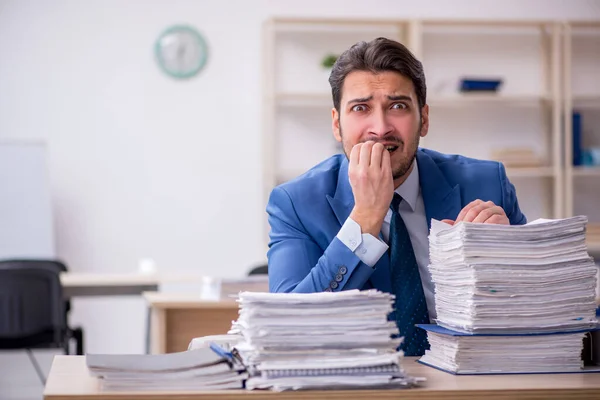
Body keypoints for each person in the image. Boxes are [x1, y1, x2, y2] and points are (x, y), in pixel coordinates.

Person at [265, 37, 527, 356]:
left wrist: (505, 258)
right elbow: (290, 327)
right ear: (337, 124)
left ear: (424, 118)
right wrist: (365, 218)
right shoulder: (296, 203)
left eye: (398, 106)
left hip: (470, 374)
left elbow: (539, 308)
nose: (381, 127)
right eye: (361, 108)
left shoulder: (488, 184)